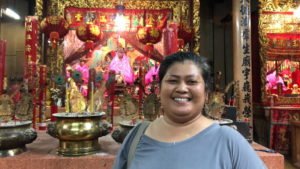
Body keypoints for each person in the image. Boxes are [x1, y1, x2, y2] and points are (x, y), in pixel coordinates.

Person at [112, 52, 266, 169]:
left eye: (191, 81)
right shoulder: (138, 135)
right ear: (159, 90)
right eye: (173, 81)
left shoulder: (229, 141)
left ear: (206, 93)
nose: (182, 89)